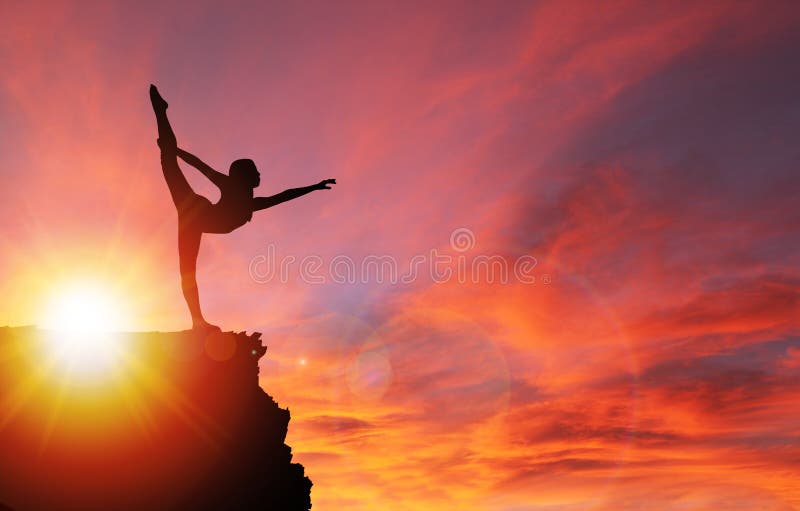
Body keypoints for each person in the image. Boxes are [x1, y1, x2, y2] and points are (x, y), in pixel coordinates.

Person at [149, 84, 336, 331]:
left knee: (169, 164)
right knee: (170, 164)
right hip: (195, 214)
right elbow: (201, 166)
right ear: (245, 176)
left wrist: (314, 186)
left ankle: (197, 322)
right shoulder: (230, 186)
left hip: (196, 217)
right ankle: (161, 113)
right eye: (256, 171)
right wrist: (176, 150)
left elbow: (285, 195)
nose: (260, 174)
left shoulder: (250, 204)